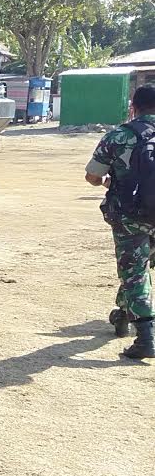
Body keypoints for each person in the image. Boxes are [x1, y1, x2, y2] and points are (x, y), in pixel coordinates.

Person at [85, 84, 155, 359]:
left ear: (133, 107)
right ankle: (123, 314)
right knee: (138, 266)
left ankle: (146, 338)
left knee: (134, 269)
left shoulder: (118, 136)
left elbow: (92, 175)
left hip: (131, 216)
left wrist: (106, 182)